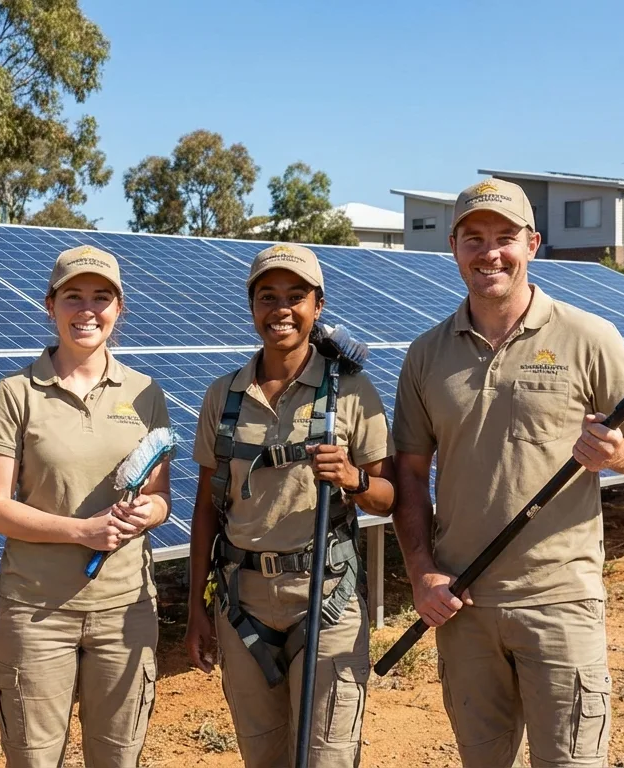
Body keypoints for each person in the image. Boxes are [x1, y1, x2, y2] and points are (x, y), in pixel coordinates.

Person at [391, 178, 624, 768]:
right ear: (453, 247)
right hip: (464, 606)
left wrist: (615, 453)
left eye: (505, 237)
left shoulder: (587, 336)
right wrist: (422, 576)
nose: (490, 252)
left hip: (562, 603)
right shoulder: (426, 354)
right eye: (474, 238)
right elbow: (410, 475)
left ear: (534, 244)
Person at [183, 244, 395, 767]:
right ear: (251, 306)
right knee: (264, 759)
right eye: (267, 296)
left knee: (326, 757)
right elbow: (206, 511)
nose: (281, 308)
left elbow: (390, 498)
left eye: (295, 296)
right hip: (242, 605)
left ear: (317, 305)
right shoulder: (223, 397)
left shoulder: (350, 391)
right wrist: (196, 610)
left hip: (325, 599)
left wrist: (352, 477)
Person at [0, 245, 172, 768]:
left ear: (119, 308)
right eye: (73, 296)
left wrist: (147, 513)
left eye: (101, 297)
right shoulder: (15, 393)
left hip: (125, 610)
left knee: (118, 757)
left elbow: (160, 496)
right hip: (38, 612)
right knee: (34, 758)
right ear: (50, 305)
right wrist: (81, 531)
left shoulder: (146, 393)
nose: (88, 309)